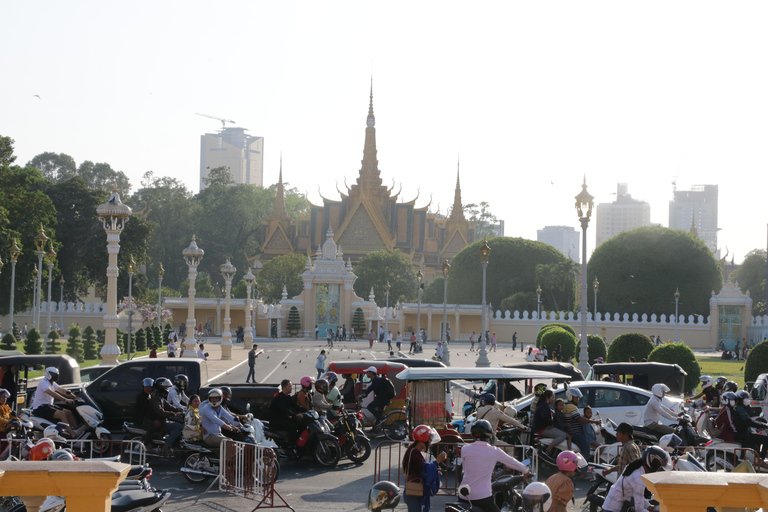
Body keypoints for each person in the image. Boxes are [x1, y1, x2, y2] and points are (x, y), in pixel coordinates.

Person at [459, 420, 532, 512]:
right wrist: (526, 471)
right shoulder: (494, 451)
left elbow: (466, 470)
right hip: (482, 497)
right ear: (489, 435)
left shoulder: (464, 449)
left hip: (464, 495)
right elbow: (512, 462)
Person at [601, 446, 670, 512]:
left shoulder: (638, 467)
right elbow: (639, 509)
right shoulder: (638, 478)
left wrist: (649, 506)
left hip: (616, 503)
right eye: (660, 465)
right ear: (653, 462)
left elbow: (638, 495)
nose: (660, 468)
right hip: (614, 508)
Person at [402, 425, 447, 512]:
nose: (430, 444)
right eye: (429, 441)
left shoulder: (415, 451)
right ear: (424, 439)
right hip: (413, 492)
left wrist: (434, 470)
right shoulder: (414, 452)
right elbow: (425, 469)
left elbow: (422, 469)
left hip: (415, 491)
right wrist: (437, 461)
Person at [31, 367, 77, 438]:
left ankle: (75, 429)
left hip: (48, 406)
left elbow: (62, 390)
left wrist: (75, 397)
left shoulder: (52, 383)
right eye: (53, 374)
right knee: (62, 414)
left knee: (69, 412)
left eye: (56, 375)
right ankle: (72, 434)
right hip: (40, 408)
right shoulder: (43, 382)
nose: (55, 376)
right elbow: (51, 393)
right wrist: (65, 400)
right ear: (48, 374)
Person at [146, 378, 183, 452]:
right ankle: (167, 445)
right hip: (159, 422)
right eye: (166, 387)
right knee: (178, 427)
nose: (167, 388)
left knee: (179, 421)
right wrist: (174, 413)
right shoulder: (155, 397)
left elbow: (168, 406)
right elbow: (160, 412)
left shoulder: (160, 396)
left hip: (163, 420)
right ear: (160, 386)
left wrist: (180, 410)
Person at [563, 388, 600, 459]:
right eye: (575, 397)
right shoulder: (571, 407)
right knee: (586, 450)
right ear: (570, 397)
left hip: (573, 432)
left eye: (578, 397)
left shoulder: (567, 405)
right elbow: (579, 419)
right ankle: (581, 466)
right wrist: (594, 421)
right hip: (576, 433)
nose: (577, 399)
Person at [733, 389, 768, 461]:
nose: (747, 400)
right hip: (744, 434)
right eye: (745, 398)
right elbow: (749, 422)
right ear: (740, 399)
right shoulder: (739, 409)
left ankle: (757, 458)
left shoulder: (741, 408)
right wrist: (764, 426)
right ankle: (761, 460)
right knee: (766, 440)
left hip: (744, 432)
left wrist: (762, 424)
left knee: (758, 439)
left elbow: (749, 419)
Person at [531, 389, 567, 457]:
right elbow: (544, 417)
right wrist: (550, 424)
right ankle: (549, 449)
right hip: (541, 428)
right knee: (562, 435)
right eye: (553, 397)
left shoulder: (544, 405)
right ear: (547, 398)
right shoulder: (544, 406)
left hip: (540, 427)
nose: (554, 399)